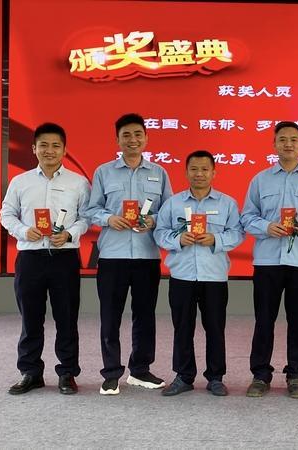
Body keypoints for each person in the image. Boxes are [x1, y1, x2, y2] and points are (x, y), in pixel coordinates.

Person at [240, 121, 298, 399]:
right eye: (282, 139)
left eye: (293, 139)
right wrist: (266, 227)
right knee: (264, 320)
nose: (288, 144)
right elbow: (247, 217)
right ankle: (260, 375)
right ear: (274, 144)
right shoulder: (260, 180)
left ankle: (295, 374)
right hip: (267, 261)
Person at [85, 113, 173, 395]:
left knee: (145, 315)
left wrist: (153, 220)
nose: (132, 140)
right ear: (117, 140)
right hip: (112, 255)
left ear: (146, 138)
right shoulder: (104, 172)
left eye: (137, 134)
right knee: (110, 316)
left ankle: (140, 370)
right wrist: (109, 219)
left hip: (147, 255)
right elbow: (90, 210)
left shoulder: (159, 173)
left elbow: (170, 211)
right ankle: (111, 372)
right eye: (126, 135)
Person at [0, 123, 90, 395]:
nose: (49, 150)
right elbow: (6, 214)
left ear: (64, 150)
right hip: (30, 257)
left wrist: (70, 234)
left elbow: (86, 217)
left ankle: (67, 373)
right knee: (30, 318)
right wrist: (23, 231)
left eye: (55, 145)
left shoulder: (78, 182)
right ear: (34, 148)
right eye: (44, 145)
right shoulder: (20, 182)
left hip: (64, 257)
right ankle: (30, 372)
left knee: (66, 318)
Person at [153, 150, 243, 396]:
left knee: (215, 328)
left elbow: (237, 233)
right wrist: (178, 239)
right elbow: (159, 233)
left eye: (205, 169)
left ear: (214, 172)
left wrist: (216, 239)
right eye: (194, 169)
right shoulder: (173, 203)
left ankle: (215, 377)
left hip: (214, 276)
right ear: (186, 172)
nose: (199, 174)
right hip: (182, 275)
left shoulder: (227, 203)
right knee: (182, 327)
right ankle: (183, 376)